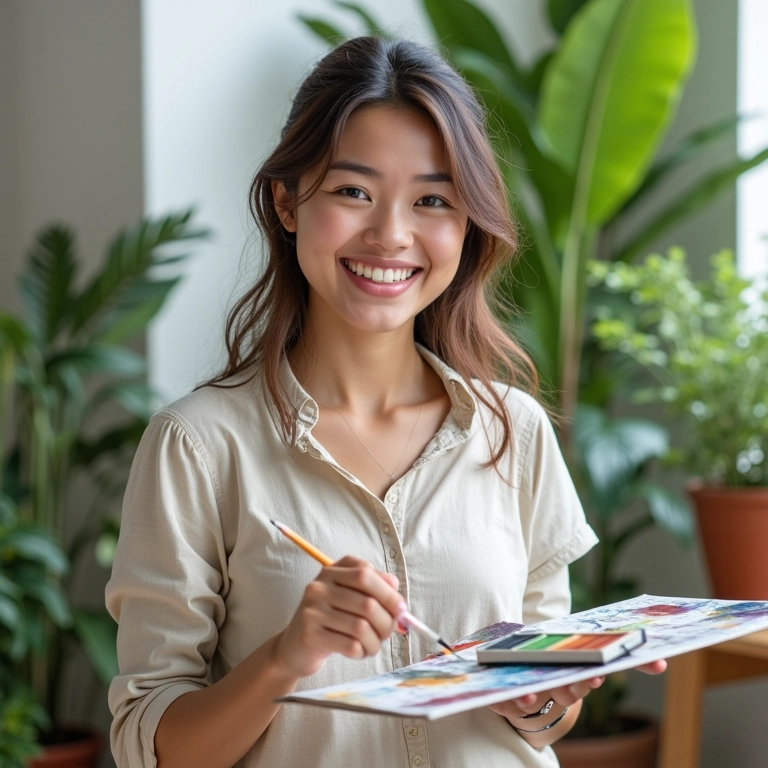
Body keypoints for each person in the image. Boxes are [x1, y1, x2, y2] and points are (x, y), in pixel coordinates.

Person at [106, 35, 665, 768]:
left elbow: (540, 721)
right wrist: (286, 655)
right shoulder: (199, 445)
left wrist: (546, 698)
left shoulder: (514, 431)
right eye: (352, 192)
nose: (391, 235)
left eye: (433, 200)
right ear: (286, 202)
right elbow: (154, 746)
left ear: (466, 227)